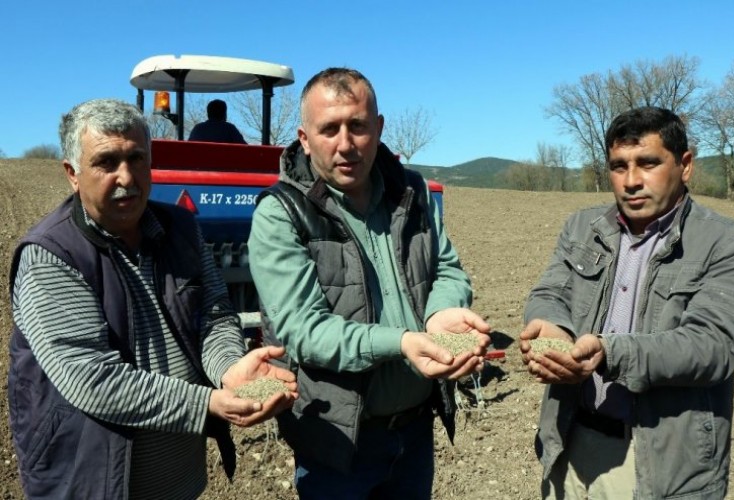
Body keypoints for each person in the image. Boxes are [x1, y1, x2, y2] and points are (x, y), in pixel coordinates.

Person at [8, 98, 298, 499]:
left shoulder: (180, 228)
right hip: (93, 478)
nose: (126, 176)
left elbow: (213, 316)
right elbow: (93, 379)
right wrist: (209, 404)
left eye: (136, 158)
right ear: (73, 174)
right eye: (107, 162)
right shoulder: (51, 254)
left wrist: (230, 369)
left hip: (178, 477)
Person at [247, 67, 491, 499]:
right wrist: (402, 343)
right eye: (329, 129)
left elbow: (448, 268)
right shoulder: (281, 213)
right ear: (304, 138)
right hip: (338, 441)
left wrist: (439, 315)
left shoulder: (411, 192)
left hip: (415, 432)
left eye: (358, 126)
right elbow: (303, 331)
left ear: (378, 128)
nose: (346, 144)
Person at [519, 106, 734, 499]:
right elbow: (550, 292)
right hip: (570, 445)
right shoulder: (583, 228)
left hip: (659, 461)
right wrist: (550, 324)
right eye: (618, 166)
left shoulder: (729, 243)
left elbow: (711, 345)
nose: (631, 181)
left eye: (647, 163)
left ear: (686, 164)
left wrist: (610, 353)